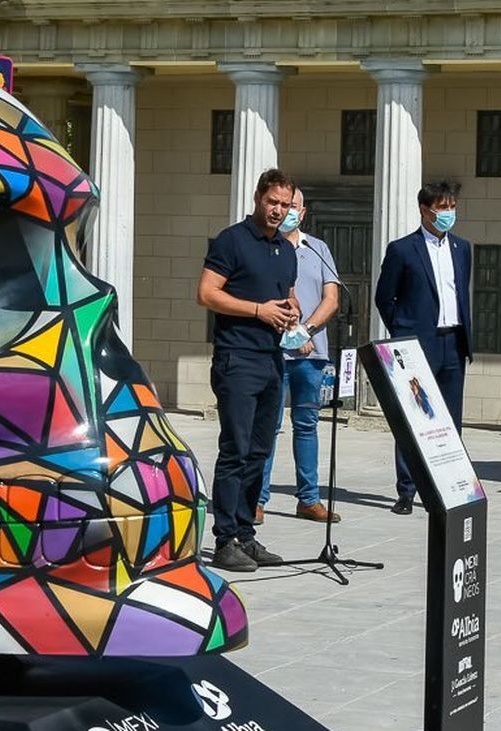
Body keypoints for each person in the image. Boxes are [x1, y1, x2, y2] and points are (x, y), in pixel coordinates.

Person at [196, 169, 301, 572]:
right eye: (272, 202)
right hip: (237, 359)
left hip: (272, 359)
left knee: (260, 451)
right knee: (235, 450)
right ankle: (224, 540)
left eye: (286, 205)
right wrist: (258, 310)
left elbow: (286, 296)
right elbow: (206, 293)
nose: (278, 211)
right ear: (258, 198)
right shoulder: (232, 241)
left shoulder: (286, 249)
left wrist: (292, 311)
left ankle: (246, 534)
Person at [374, 180, 474, 515]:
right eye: (442, 207)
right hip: (417, 346)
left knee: (450, 419)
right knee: (414, 417)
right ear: (425, 209)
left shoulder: (462, 249)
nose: (448, 213)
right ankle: (407, 490)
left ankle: (449, 484)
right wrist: (403, 332)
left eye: (452, 206)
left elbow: (461, 294)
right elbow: (384, 297)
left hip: (453, 342)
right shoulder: (403, 249)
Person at [256, 187, 341, 526]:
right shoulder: (265, 249)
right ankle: (257, 499)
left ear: (303, 213)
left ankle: (308, 498)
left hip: (312, 354)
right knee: (267, 427)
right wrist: (289, 336)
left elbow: (331, 298)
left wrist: (304, 331)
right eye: (282, 204)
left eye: (294, 206)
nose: (287, 211)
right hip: (273, 354)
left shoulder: (317, 249)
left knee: (307, 426)